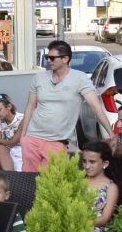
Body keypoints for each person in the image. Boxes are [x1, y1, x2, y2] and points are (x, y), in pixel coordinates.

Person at [17, 40, 110, 171]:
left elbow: (96, 107)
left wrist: (111, 134)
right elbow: (30, 107)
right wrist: (23, 135)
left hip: (58, 140)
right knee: (28, 178)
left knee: (51, 177)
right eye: (47, 57)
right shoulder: (39, 78)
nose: (48, 60)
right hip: (32, 137)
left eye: (52, 58)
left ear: (65, 59)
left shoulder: (80, 78)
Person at [78, 140, 120, 232]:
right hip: (75, 229)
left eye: (92, 162)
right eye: (84, 161)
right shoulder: (79, 181)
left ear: (105, 163)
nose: (87, 166)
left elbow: (105, 219)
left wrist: (80, 222)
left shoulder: (110, 187)